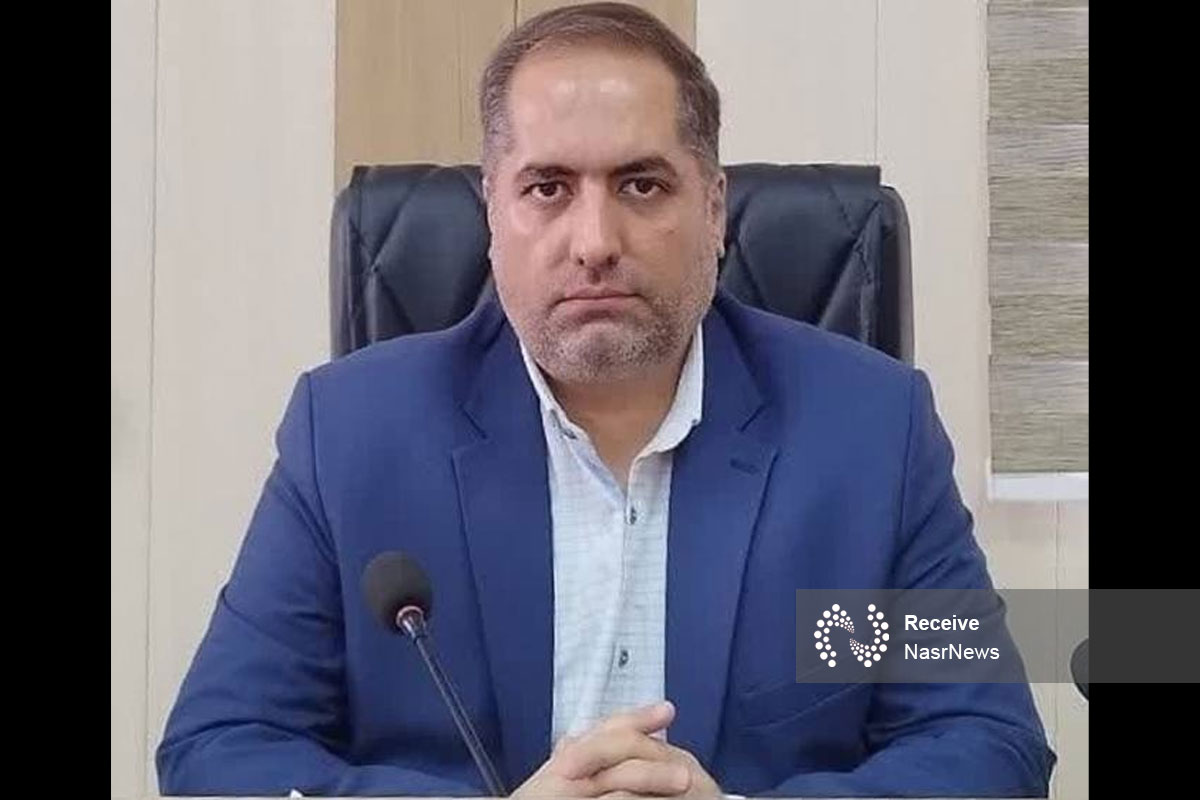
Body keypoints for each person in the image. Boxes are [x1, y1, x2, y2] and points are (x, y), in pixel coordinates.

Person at [157, 3, 1054, 796]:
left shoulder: (868, 433)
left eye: (641, 185)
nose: (594, 241)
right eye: (548, 188)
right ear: (492, 213)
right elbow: (221, 749)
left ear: (713, 209)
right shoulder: (350, 435)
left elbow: (986, 743)